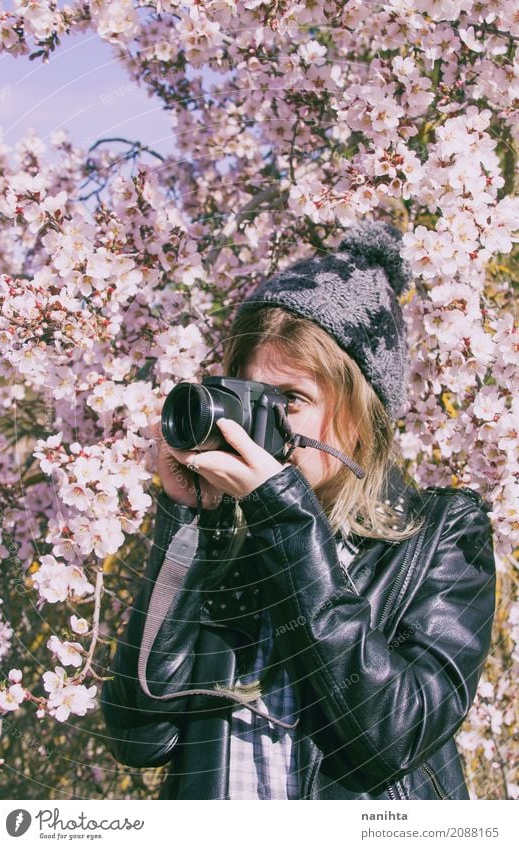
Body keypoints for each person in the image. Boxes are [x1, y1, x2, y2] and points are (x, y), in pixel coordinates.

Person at [101, 221, 496, 800]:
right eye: (247, 395)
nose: (261, 424)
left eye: (289, 400)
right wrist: (185, 521)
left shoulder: (441, 536)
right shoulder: (224, 534)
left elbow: (390, 739)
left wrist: (284, 517)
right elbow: (140, 737)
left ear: (362, 416)